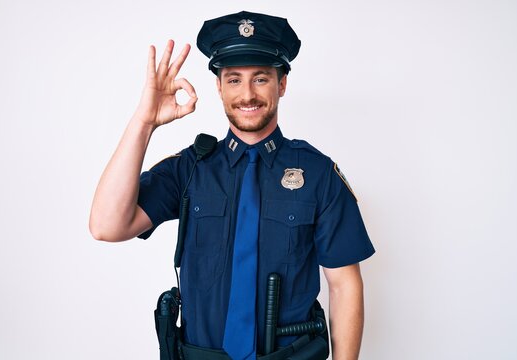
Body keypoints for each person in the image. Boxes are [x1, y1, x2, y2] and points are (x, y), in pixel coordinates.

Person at [89, 10, 375, 360]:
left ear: (281, 84)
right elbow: (106, 226)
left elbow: (344, 285)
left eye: (261, 78)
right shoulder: (191, 168)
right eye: (235, 80)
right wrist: (144, 121)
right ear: (219, 86)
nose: (247, 94)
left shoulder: (317, 174)